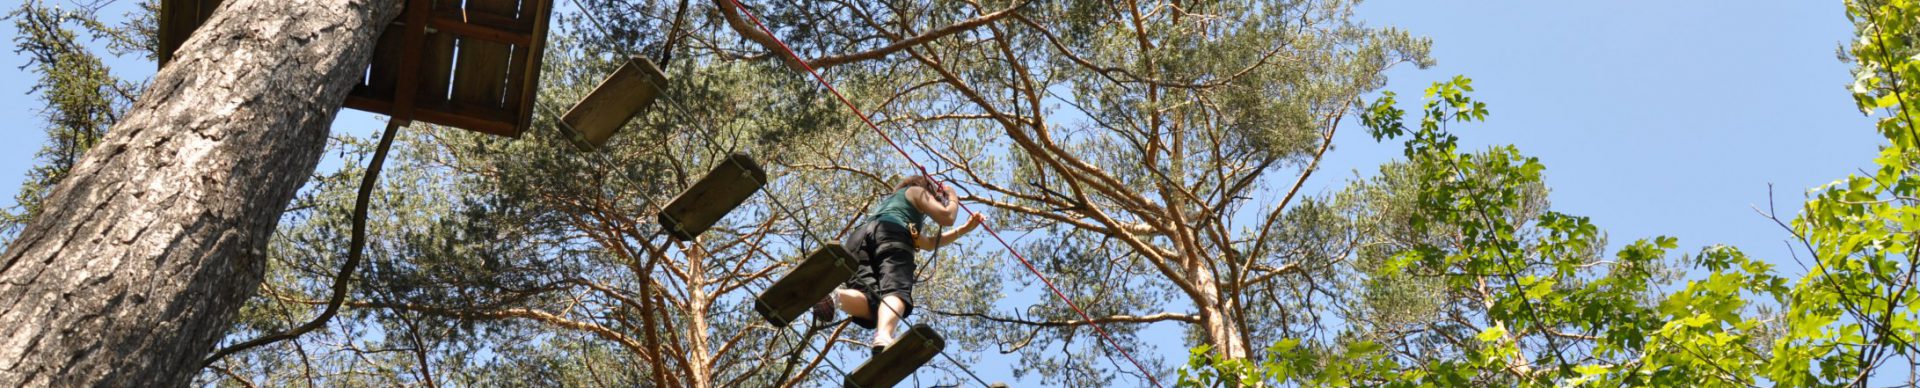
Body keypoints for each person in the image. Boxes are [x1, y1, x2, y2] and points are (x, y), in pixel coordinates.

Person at [814, 175, 985, 356]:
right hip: (890, 234)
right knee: (896, 291)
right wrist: (952, 196)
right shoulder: (915, 191)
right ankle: (884, 337)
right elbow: (947, 216)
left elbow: (927, 243)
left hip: (857, 240)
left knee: (874, 306)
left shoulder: (899, 209)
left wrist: (964, 230)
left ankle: (833, 297)